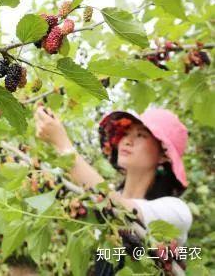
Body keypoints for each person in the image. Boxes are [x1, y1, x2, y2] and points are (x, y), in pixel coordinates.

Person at [34, 105, 193, 273]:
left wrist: (62, 144)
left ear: (164, 155)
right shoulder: (104, 203)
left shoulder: (176, 211)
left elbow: (121, 209)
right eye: (125, 133)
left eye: (141, 134)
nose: (127, 141)